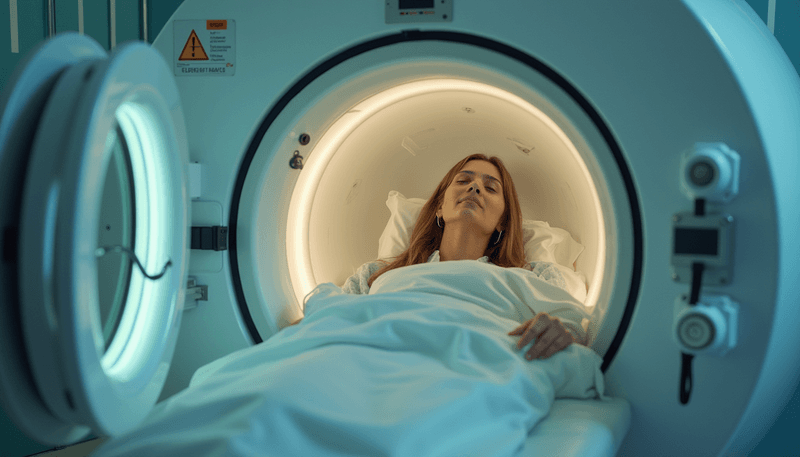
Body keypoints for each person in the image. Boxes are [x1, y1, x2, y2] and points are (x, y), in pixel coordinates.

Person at [293, 154, 581, 361]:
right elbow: (327, 323)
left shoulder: (534, 277)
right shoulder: (376, 276)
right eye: (464, 180)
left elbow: (574, 331)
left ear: (503, 221)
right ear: (440, 208)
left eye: (490, 187)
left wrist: (563, 330)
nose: (474, 188)